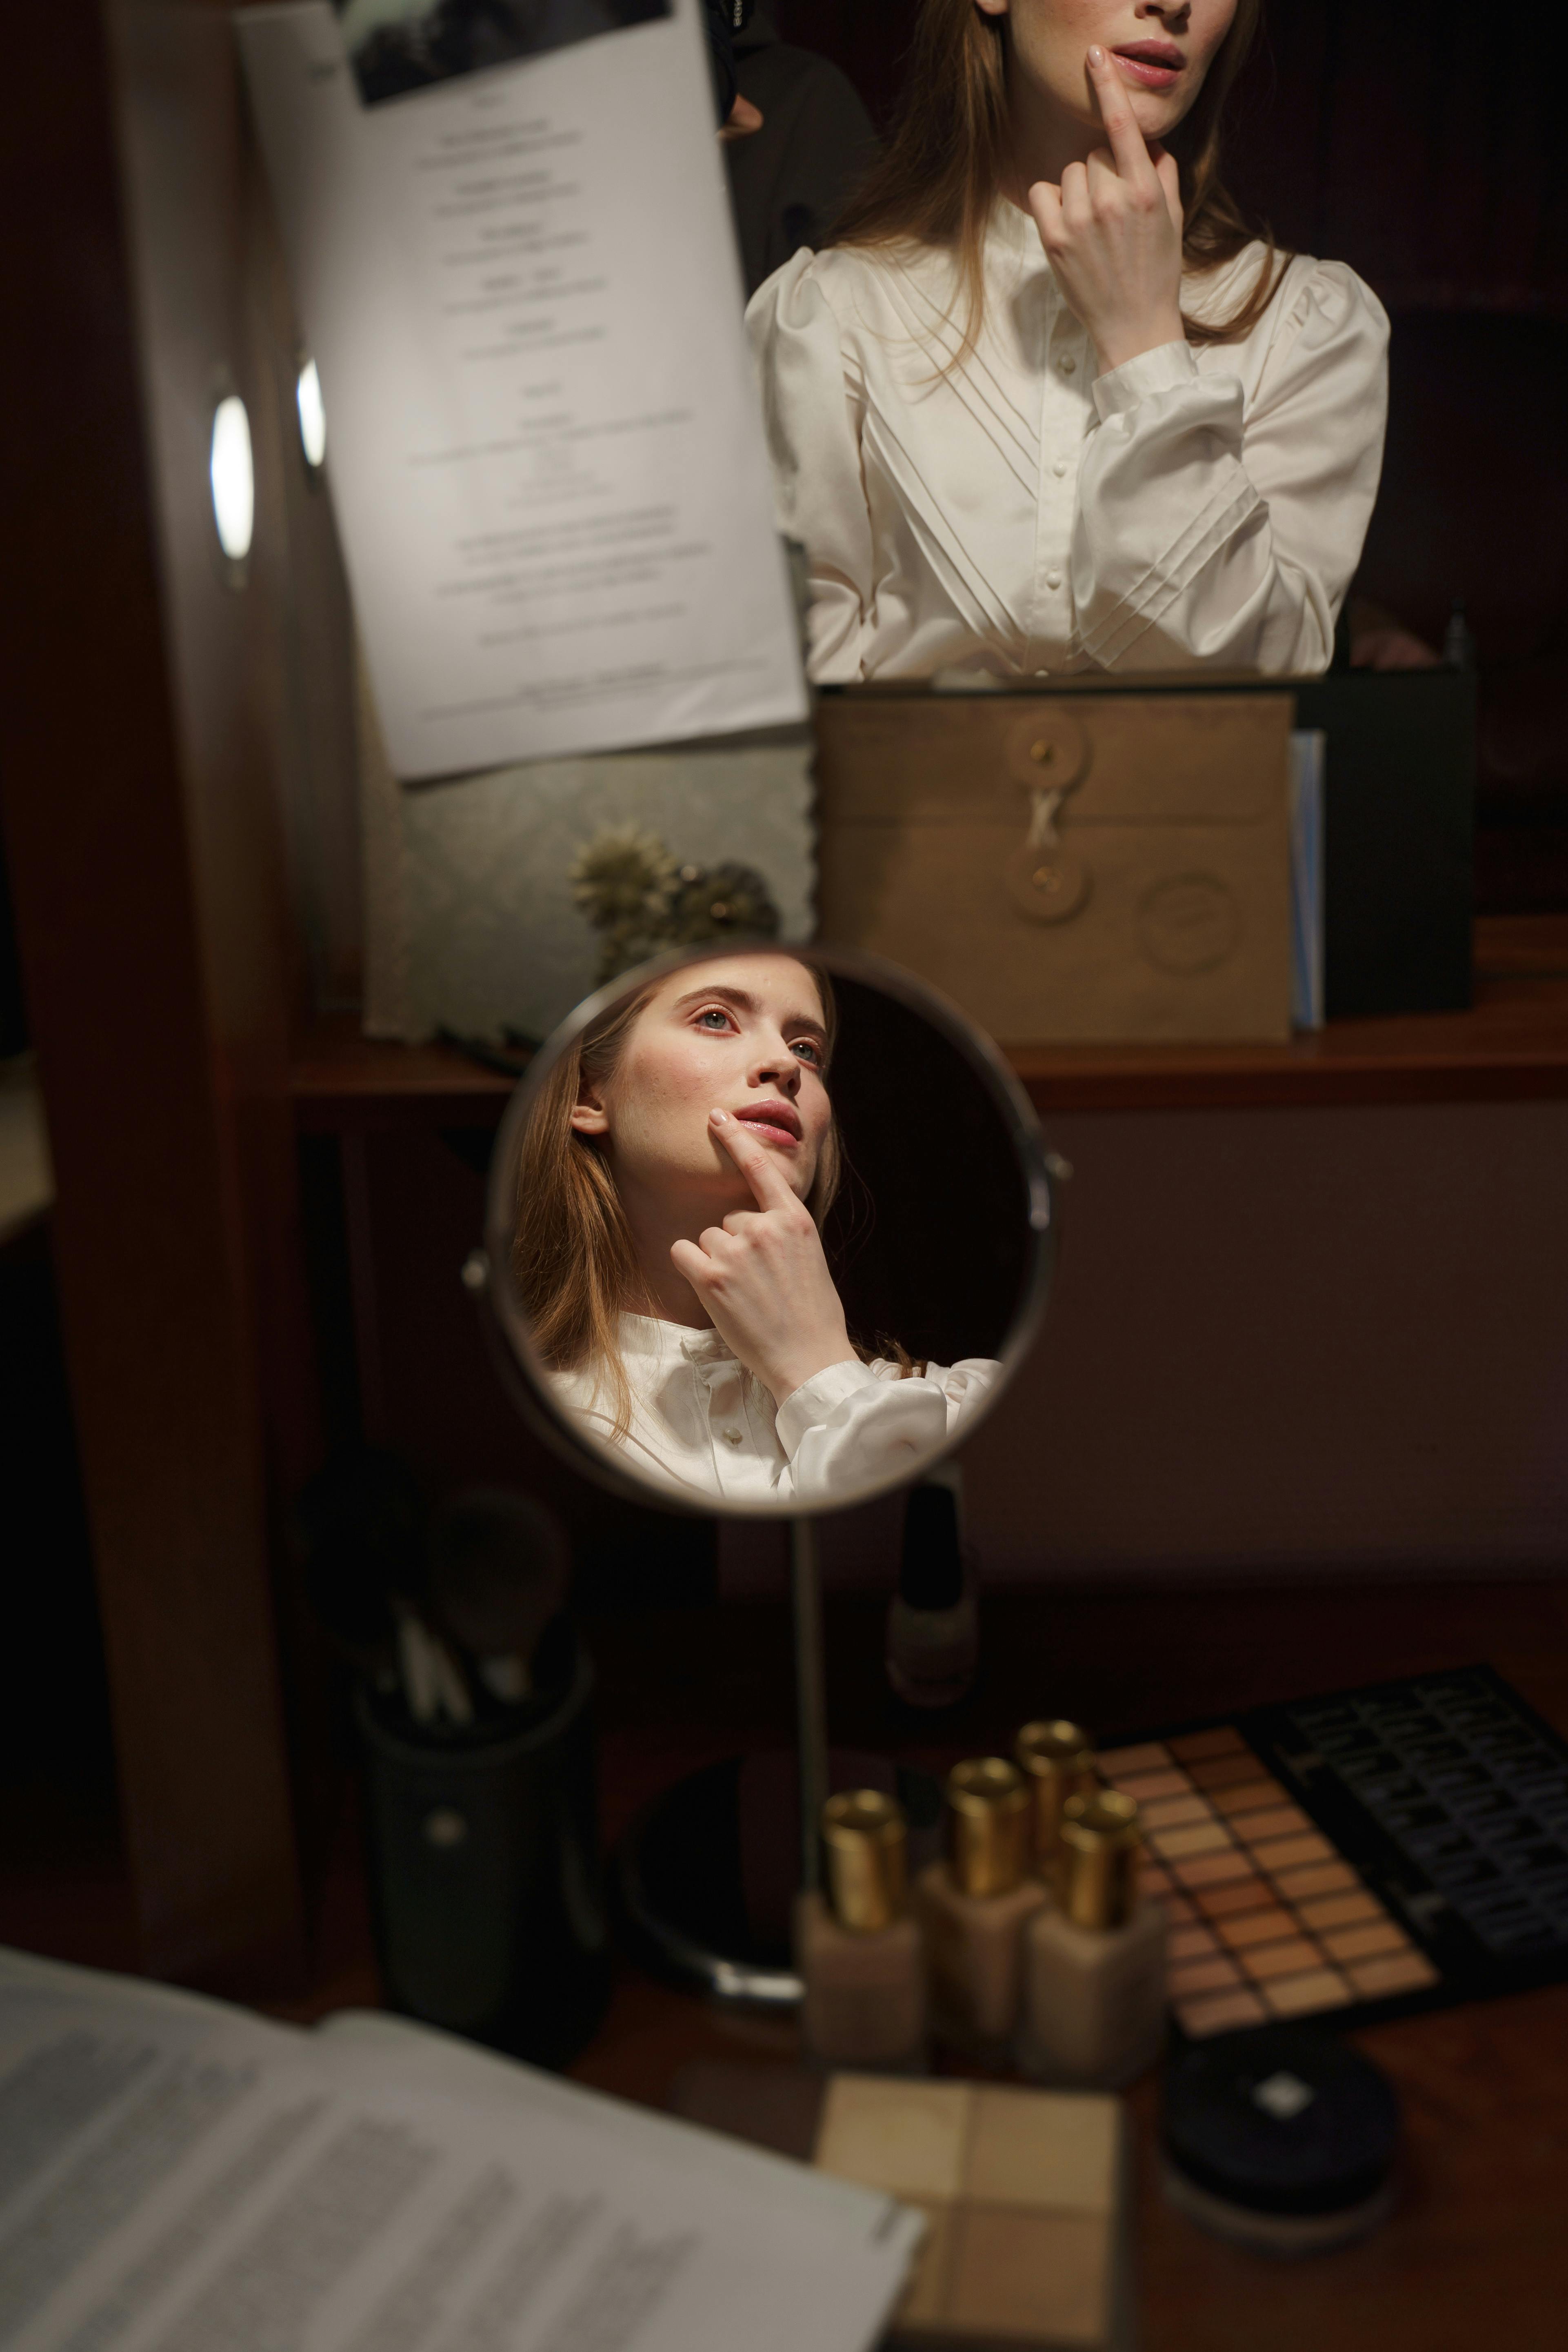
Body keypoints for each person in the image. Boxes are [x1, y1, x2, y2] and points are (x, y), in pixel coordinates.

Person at [746, 0, 1389, 685]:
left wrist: (1143, 343)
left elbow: (1252, 697)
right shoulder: (829, 315)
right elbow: (796, 722)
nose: (1172, 4)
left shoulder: (1307, 324)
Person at [513, 954, 998, 1504]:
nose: (783, 1065)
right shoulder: (527, 1437)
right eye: (716, 1018)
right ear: (588, 1093)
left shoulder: (971, 1412)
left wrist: (818, 1371)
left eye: (806, 1049)